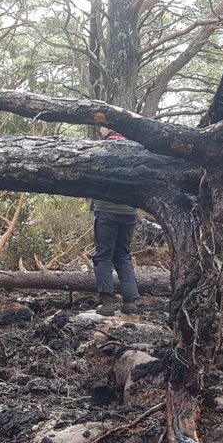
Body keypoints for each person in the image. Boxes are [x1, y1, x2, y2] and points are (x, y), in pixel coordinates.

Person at [91, 127, 141, 316]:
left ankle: (107, 303)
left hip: (106, 210)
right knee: (123, 256)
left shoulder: (102, 148)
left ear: (108, 129)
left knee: (103, 256)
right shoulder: (136, 148)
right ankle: (130, 302)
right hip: (130, 211)